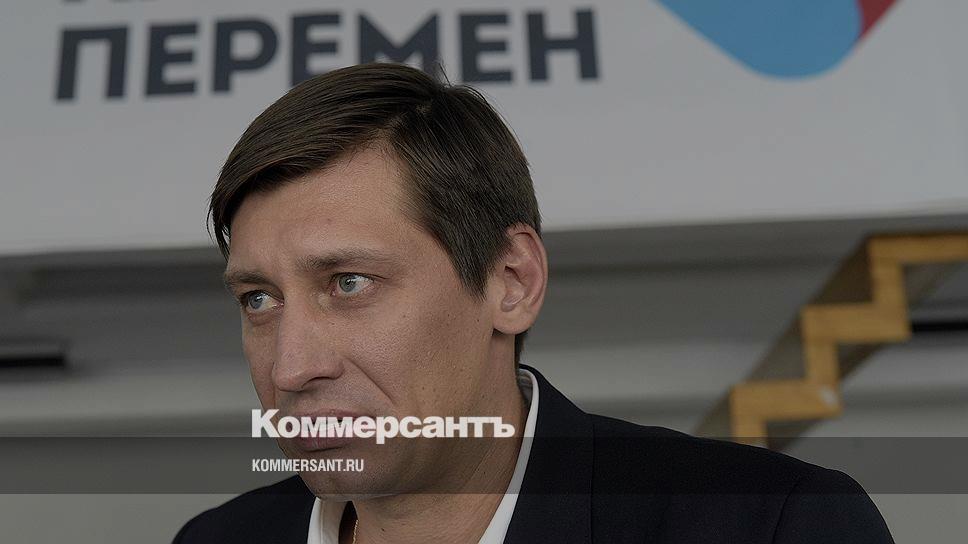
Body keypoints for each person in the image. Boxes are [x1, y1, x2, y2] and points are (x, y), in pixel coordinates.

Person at [174, 62, 894, 543]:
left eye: (348, 283)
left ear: (511, 281)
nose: (291, 367)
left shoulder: (772, 527)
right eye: (259, 298)